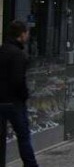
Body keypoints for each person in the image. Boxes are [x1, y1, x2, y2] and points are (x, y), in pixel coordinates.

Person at [0, 21, 40, 167]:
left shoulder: (2, 49)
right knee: (24, 137)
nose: (28, 36)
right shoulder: (18, 54)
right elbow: (18, 81)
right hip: (14, 102)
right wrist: (24, 96)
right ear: (22, 34)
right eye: (27, 33)